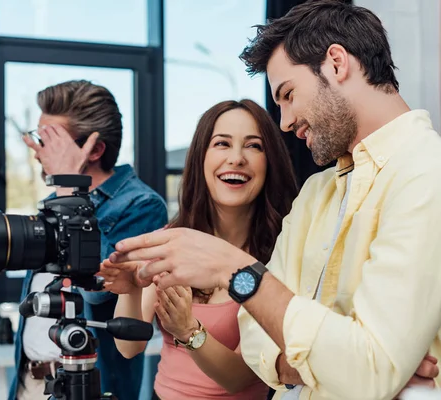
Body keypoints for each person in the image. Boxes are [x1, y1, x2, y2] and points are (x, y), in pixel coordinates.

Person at [107, 1, 441, 399]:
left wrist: (236, 270)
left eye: (287, 94)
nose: (285, 122)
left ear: (336, 63)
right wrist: (331, 362)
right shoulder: (318, 192)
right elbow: (255, 345)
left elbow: (367, 370)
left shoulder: (426, 172)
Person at [99, 99, 298, 399]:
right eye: (222, 143)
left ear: (270, 161)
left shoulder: (284, 250)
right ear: (201, 158)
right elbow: (129, 348)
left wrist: (188, 330)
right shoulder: (172, 240)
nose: (236, 158)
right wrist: (131, 290)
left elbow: (240, 378)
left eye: (253, 146)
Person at [9, 80, 168, 400]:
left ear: (94, 149)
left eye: (48, 140)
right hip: (31, 383)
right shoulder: (57, 198)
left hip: (90, 388)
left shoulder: (141, 205)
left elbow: (96, 289)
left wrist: (69, 189)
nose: (36, 149)